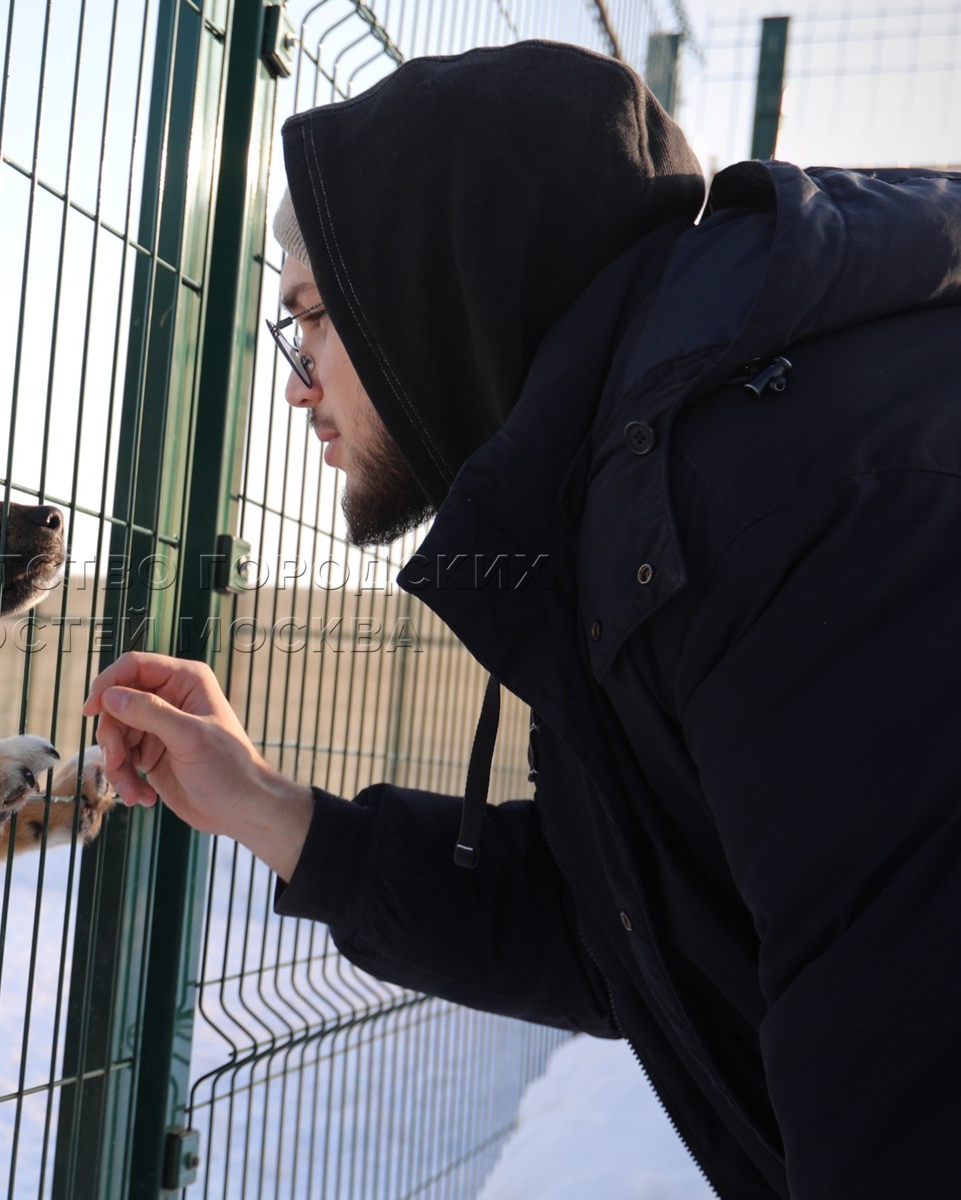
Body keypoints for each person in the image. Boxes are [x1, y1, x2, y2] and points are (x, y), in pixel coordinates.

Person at [83, 39, 961, 1200]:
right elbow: (633, 927)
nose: (297, 381)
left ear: (435, 304)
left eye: (311, 318)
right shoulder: (628, 503)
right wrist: (270, 808)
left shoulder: (789, 508)